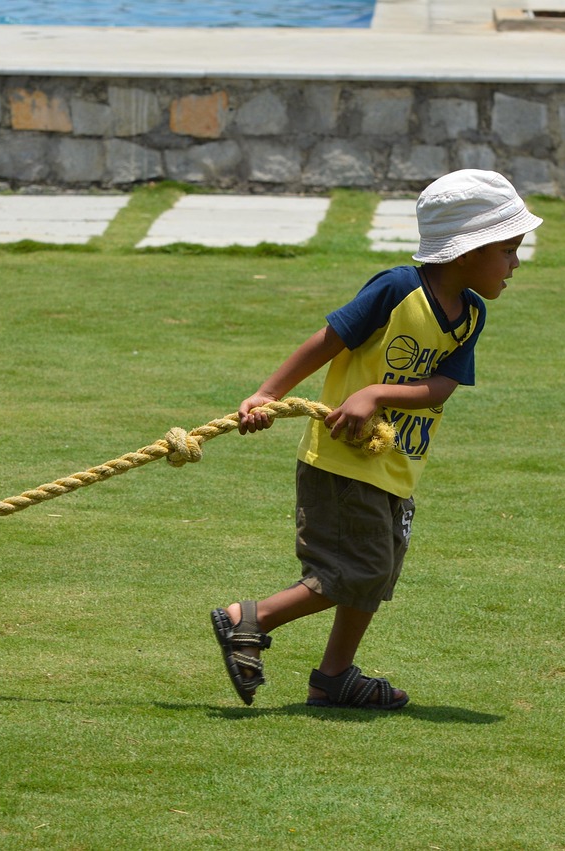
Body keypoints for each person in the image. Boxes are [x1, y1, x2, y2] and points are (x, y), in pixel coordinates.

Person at [210, 169, 542, 710]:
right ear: (467, 251)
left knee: (377, 573)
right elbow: (327, 339)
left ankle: (334, 678)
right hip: (341, 460)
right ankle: (248, 619)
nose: (515, 264)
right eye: (507, 250)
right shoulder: (396, 289)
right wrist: (267, 393)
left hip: (395, 464)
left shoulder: (470, 315)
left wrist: (379, 394)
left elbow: (444, 384)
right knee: (353, 571)